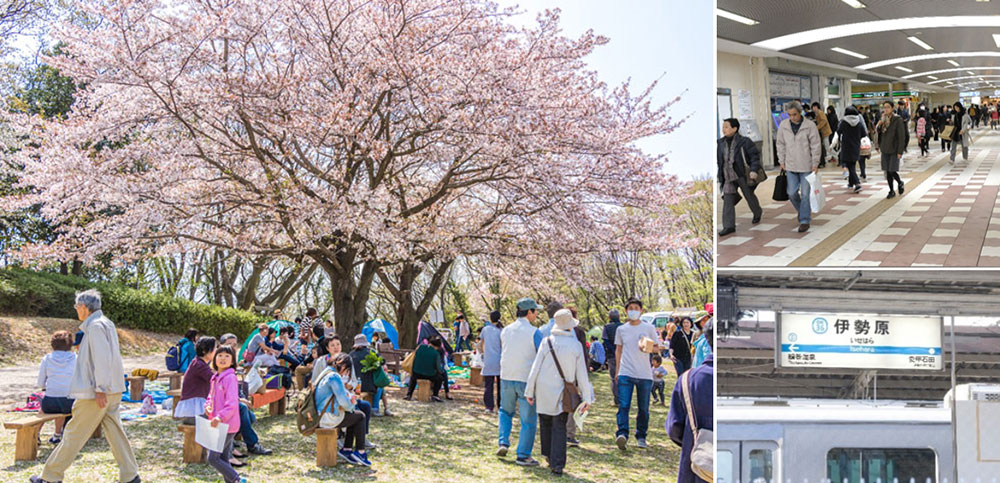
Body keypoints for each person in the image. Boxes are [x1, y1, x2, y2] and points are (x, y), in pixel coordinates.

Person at [31, 290, 140, 483]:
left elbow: (101, 359)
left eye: (76, 307)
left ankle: (51, 476)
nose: (76, 310)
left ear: (83, 307)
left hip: (96, 391)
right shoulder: (106, 323)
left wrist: (100, 388)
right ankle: (130, 475)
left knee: (73, 433)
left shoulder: (96, 326)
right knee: (115, 433)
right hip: (112, 389)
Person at [524, 309, 595, 476]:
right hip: (563, 391)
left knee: (546, 422)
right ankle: (558, 464)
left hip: (543, 388)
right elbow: (582, 374)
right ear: (570, 325)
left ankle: (548, 455)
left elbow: (535, 368)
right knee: (559, 425)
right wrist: (586, 398)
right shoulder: (575, 345)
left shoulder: (546, 341)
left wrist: (530, 390)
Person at [497, 297, 543, 466]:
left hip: (506, 376)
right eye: (535, 311)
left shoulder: (506, 330)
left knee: (505, 411)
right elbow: (541, 355)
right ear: (529, 312)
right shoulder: (535, 332)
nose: (536, 314)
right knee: (528, 420)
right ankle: (523, 455)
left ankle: (503, 442)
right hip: (526, 379)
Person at [667, 319, 714, 483]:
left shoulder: (687, 380)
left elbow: (674, 427)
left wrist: (692, 437)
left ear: (707, 340)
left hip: (698, 467)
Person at [613, 298, 663, 451]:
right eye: (630, 308)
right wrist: (617, 371)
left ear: (641, 310)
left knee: (643, 408)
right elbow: (618, 350)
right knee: (624, 405)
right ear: (626, 311)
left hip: (644, 374)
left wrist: (647, 347)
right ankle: (622, 434)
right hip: (625, 372)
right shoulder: (621, 329)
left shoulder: (648, 328)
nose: (633, 310)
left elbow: (657, 348)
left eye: (636, 308)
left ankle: (641, 436)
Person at [219, 334, 273, 457]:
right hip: (219, 404)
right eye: (229, 344)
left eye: (234, 345)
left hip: (229, 401)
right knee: (242, 409)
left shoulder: (231, 363)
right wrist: (239, 400)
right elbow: (218, 391)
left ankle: (230, 440)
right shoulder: (218, 363)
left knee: (251, 416)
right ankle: (252, 445)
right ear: (220, 346)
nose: (232, 347)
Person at [314, 353, 372, 467]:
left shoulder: (326, 372)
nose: (346, 373)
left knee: (353, 416)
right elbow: (344, 402)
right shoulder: (334, 377)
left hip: (320, 414)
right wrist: (352, 404)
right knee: (360, 416)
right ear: (343, 365)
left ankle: (347, 448)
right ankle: (360, 451)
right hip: (326, 418)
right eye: (347, 370)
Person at [776, 101, 821, 233]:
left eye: (794, 114)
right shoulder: (783, 126)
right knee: (791, 193)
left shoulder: (810, 126)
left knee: (806, 194)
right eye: (789, 115)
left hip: (806, 165)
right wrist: (781, 160)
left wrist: (815, 163)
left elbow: (815, 145)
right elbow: (780, 144)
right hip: (790, 165)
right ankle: (803, 211)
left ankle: (804, 220)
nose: (792, 117)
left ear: (800, 113)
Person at [203, 345, 246, 483]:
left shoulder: (230, 378)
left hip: (227, 424)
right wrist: (208, 406)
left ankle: (237, 479)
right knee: (223, 459)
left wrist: (220, 416)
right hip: (218, 423)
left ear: (233, 360)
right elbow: (211, 396)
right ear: (214, 358)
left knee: (213, 458)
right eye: (220, 355)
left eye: (227, 356)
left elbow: (232, 403)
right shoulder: (215, 377)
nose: (223, 358)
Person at [717, 118, 763, 236]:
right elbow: (720, 161)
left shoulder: (744, 141)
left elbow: (754, 157)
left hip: (741, 174)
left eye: (727, 127)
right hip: (728, 176)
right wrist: (720, 175)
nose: (724, 129)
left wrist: (753, 170)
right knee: (727, 200)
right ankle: (729, 226)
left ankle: (757, 211)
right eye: (723, 127)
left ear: (735, 129)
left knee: (749, 195)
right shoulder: (720, 143)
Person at [37, 331, 77, 444]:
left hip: (50, 402)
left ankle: (36, 434)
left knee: (44, 408)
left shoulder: (47, 358)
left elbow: (40, 383)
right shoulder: (76, 358)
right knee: (62, 408)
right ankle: (57, 435)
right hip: (70, 402)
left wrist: (46, 387)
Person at [174, 337, 216, 425]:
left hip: (194, 407)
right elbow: (214, 379)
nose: (216, 351)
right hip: (193, 410)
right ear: (205, 351)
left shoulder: (198, 362)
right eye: (214, 348)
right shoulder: (199, 365)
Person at [877, 100, 907, 199]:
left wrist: (900, 151)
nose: (885, 109)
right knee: (887, 171)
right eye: (884, 107)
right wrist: (879, 126)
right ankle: (891, 191)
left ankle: (900, 182)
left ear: (892, 108)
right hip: (885, 148)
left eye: (888, 107)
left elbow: (901, 136)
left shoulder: (897, 120)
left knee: (892, 170)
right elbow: (879, 133)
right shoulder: (882, 119)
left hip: (894, 149)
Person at [404, 336, 447, 402]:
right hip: (430, 375)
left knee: (413, 378)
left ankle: (409, 394)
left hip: (416, 373)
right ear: (437, 346)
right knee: (440, 378)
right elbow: (438, 368)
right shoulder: (436, 353)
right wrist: (442, 372)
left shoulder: (420, 347)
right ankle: (435, 395)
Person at [836, 105, 867, 194]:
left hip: (846, 146)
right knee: (852, 164)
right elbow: (864, 134)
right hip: (856, 146)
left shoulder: (844, 122)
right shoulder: (859, 123)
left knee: (849, 165)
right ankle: (851, 183)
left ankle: (857, 184)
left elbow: (838, 132)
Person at [481, 310, 503, 413]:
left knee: (488, 385)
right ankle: (500, 406)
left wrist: (483, 354)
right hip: (500, 361)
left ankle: (489, 407)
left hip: (488, 360)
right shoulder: (502, 330)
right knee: (500, 386)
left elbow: (482, 344)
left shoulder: (485, 330)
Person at [601, 309, 623, 406]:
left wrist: (613, 349)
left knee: (614, 378)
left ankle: (617, 400)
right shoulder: (623, 327)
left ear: (609, 317)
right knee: (623, 377)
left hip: (611, 355)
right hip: (624, 355)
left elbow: (605, 340)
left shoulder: (606, 327)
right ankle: (624, 398)